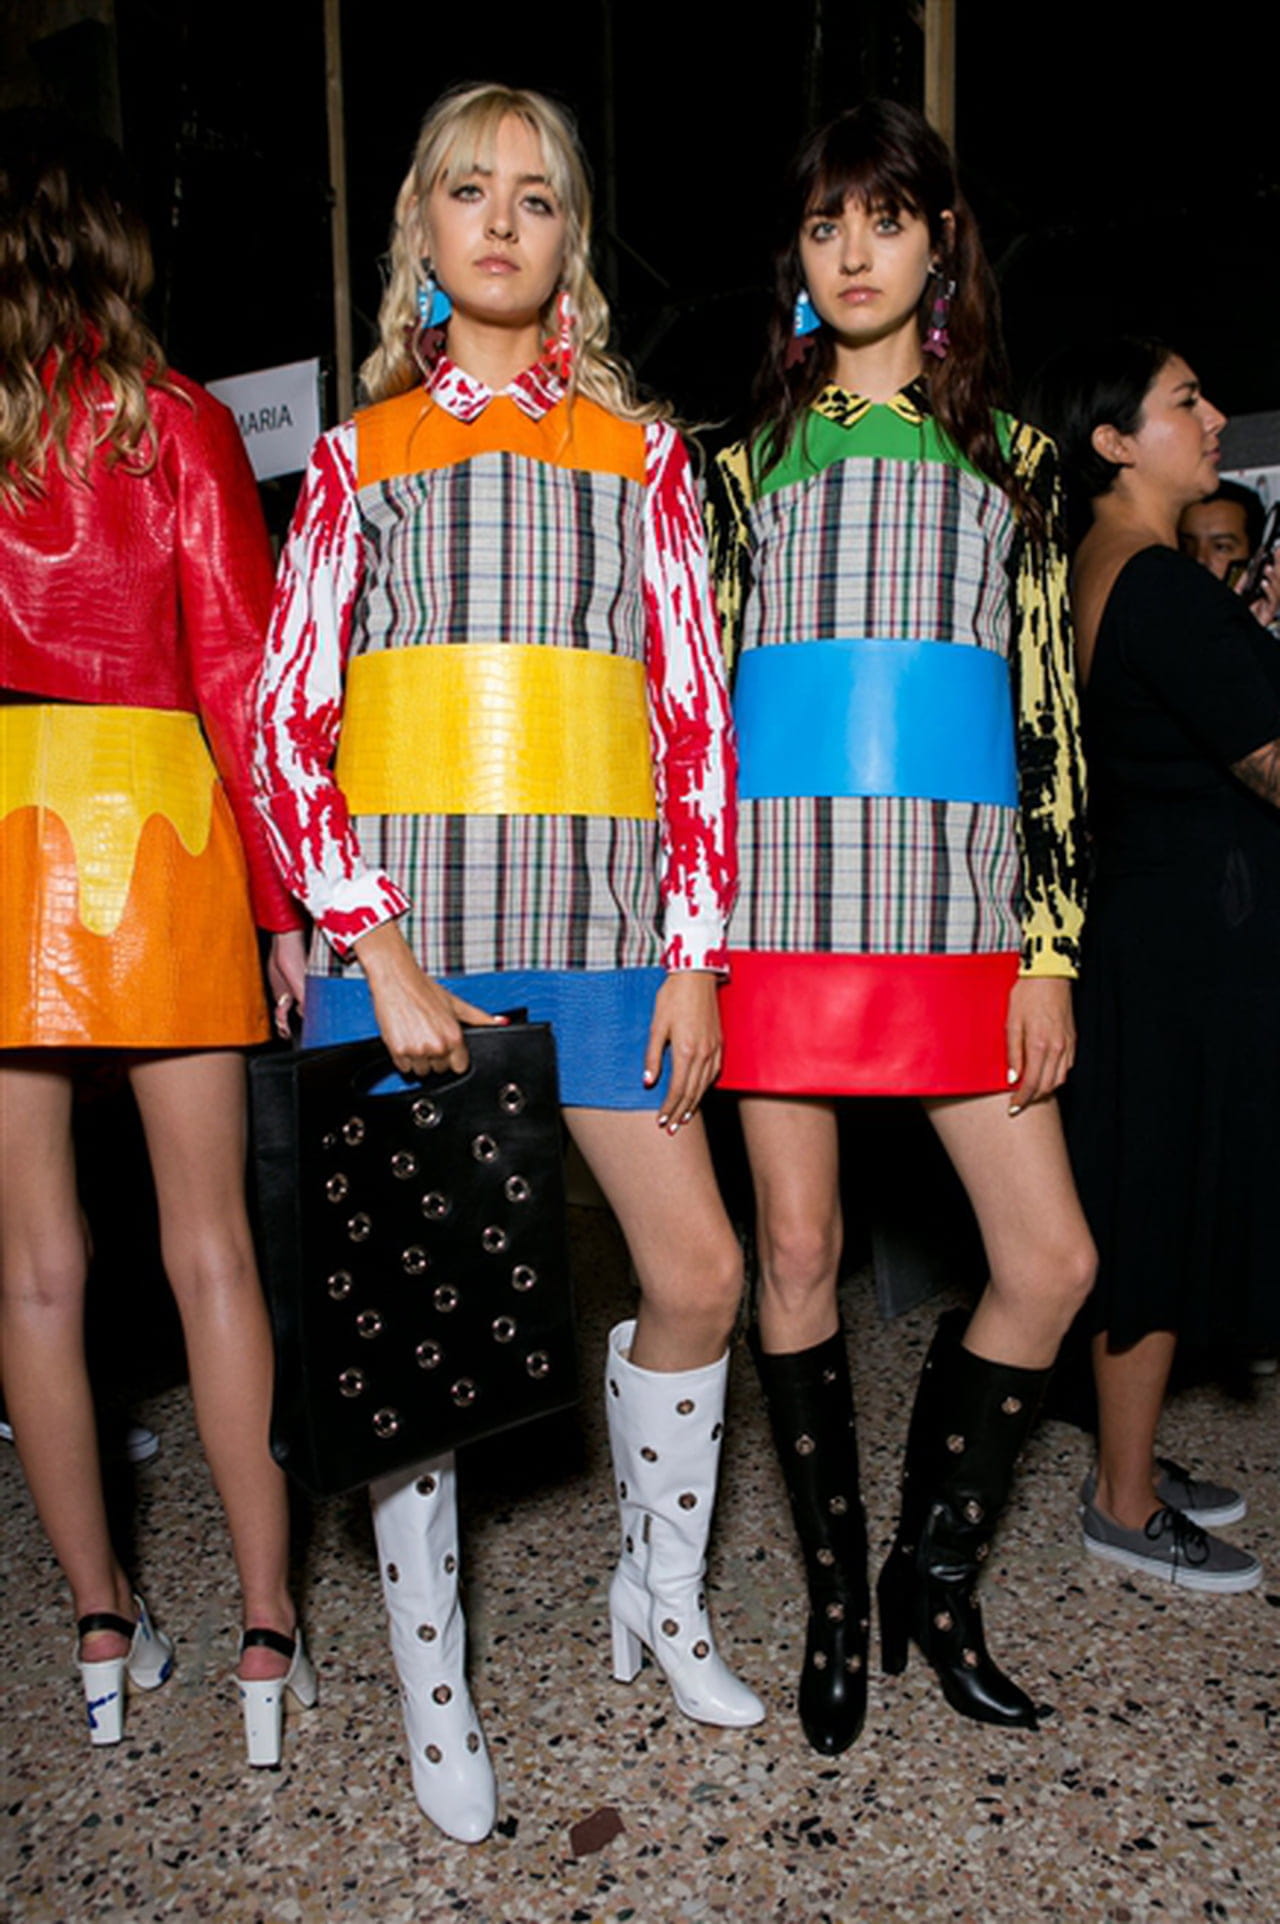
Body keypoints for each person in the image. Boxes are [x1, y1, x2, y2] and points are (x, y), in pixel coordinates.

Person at [255, 82, 762, 1845]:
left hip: (611, 940)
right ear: (422, 226)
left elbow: (694, 720)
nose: (500, 219)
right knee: (417, 1349)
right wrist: (371, 944)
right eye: (469, 190)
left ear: (568, 242)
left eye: (535, 197)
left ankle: (660, 1596)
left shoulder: (644, 457)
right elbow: (284, 724)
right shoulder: (356, 458)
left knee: (700, 1272)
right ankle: (435, 1688)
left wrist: (694, 953)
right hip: (409, 953)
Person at [707, 100, 1095, 1754]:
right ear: (797, 260)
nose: (854, 251)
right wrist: (691, 945)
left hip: (958, 919)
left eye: (885, 217)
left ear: (941, 244)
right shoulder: (735, 472)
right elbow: (692, 731)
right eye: (824, 224)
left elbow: (1048, 718)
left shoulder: (1016, 463)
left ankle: (931, 1577)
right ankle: (835, 1602)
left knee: (1052, 1259)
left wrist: (1050, 945)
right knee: (794, 1252)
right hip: (778, 914)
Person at [0, 113, 312, 1765]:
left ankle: (103, 1628)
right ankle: (268, 1632)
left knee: (37, 1270)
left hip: (7, 841)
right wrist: (283, 909)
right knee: (211, 1253)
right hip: (163, 835)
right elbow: (245, 681)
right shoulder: (175, 420)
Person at [1031, 338, 1280, 1593]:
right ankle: (1121, 1504)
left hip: (1149, 925)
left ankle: (1123, 1462)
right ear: (1114, 442)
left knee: (1148, 1193)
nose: (1213, 414)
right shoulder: (1161, 587)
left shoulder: (1097, 566)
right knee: (1159, 1206)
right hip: (1189, 941)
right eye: (1184, 400)